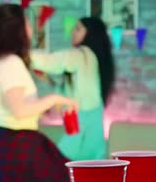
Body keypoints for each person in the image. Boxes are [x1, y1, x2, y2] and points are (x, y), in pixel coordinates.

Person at [0, 4, 79, 182]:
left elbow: (15, 108)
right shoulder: (11, 63)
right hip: (18, 149)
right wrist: (55, 98)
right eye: (27, 24)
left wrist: (43, 110)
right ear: (17, 30)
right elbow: (19, 110)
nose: (31, 30)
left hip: (5, 145)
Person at [31, 17, 115, 160]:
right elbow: (71, 92)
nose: (73, 32)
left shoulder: (82, 54)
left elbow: (50, 61)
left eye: (78, 29)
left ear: (90, 34)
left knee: (60, 166)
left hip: (81, 129)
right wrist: (49, 82)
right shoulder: (91, 59)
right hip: (88, 132)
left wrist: (20, 54)